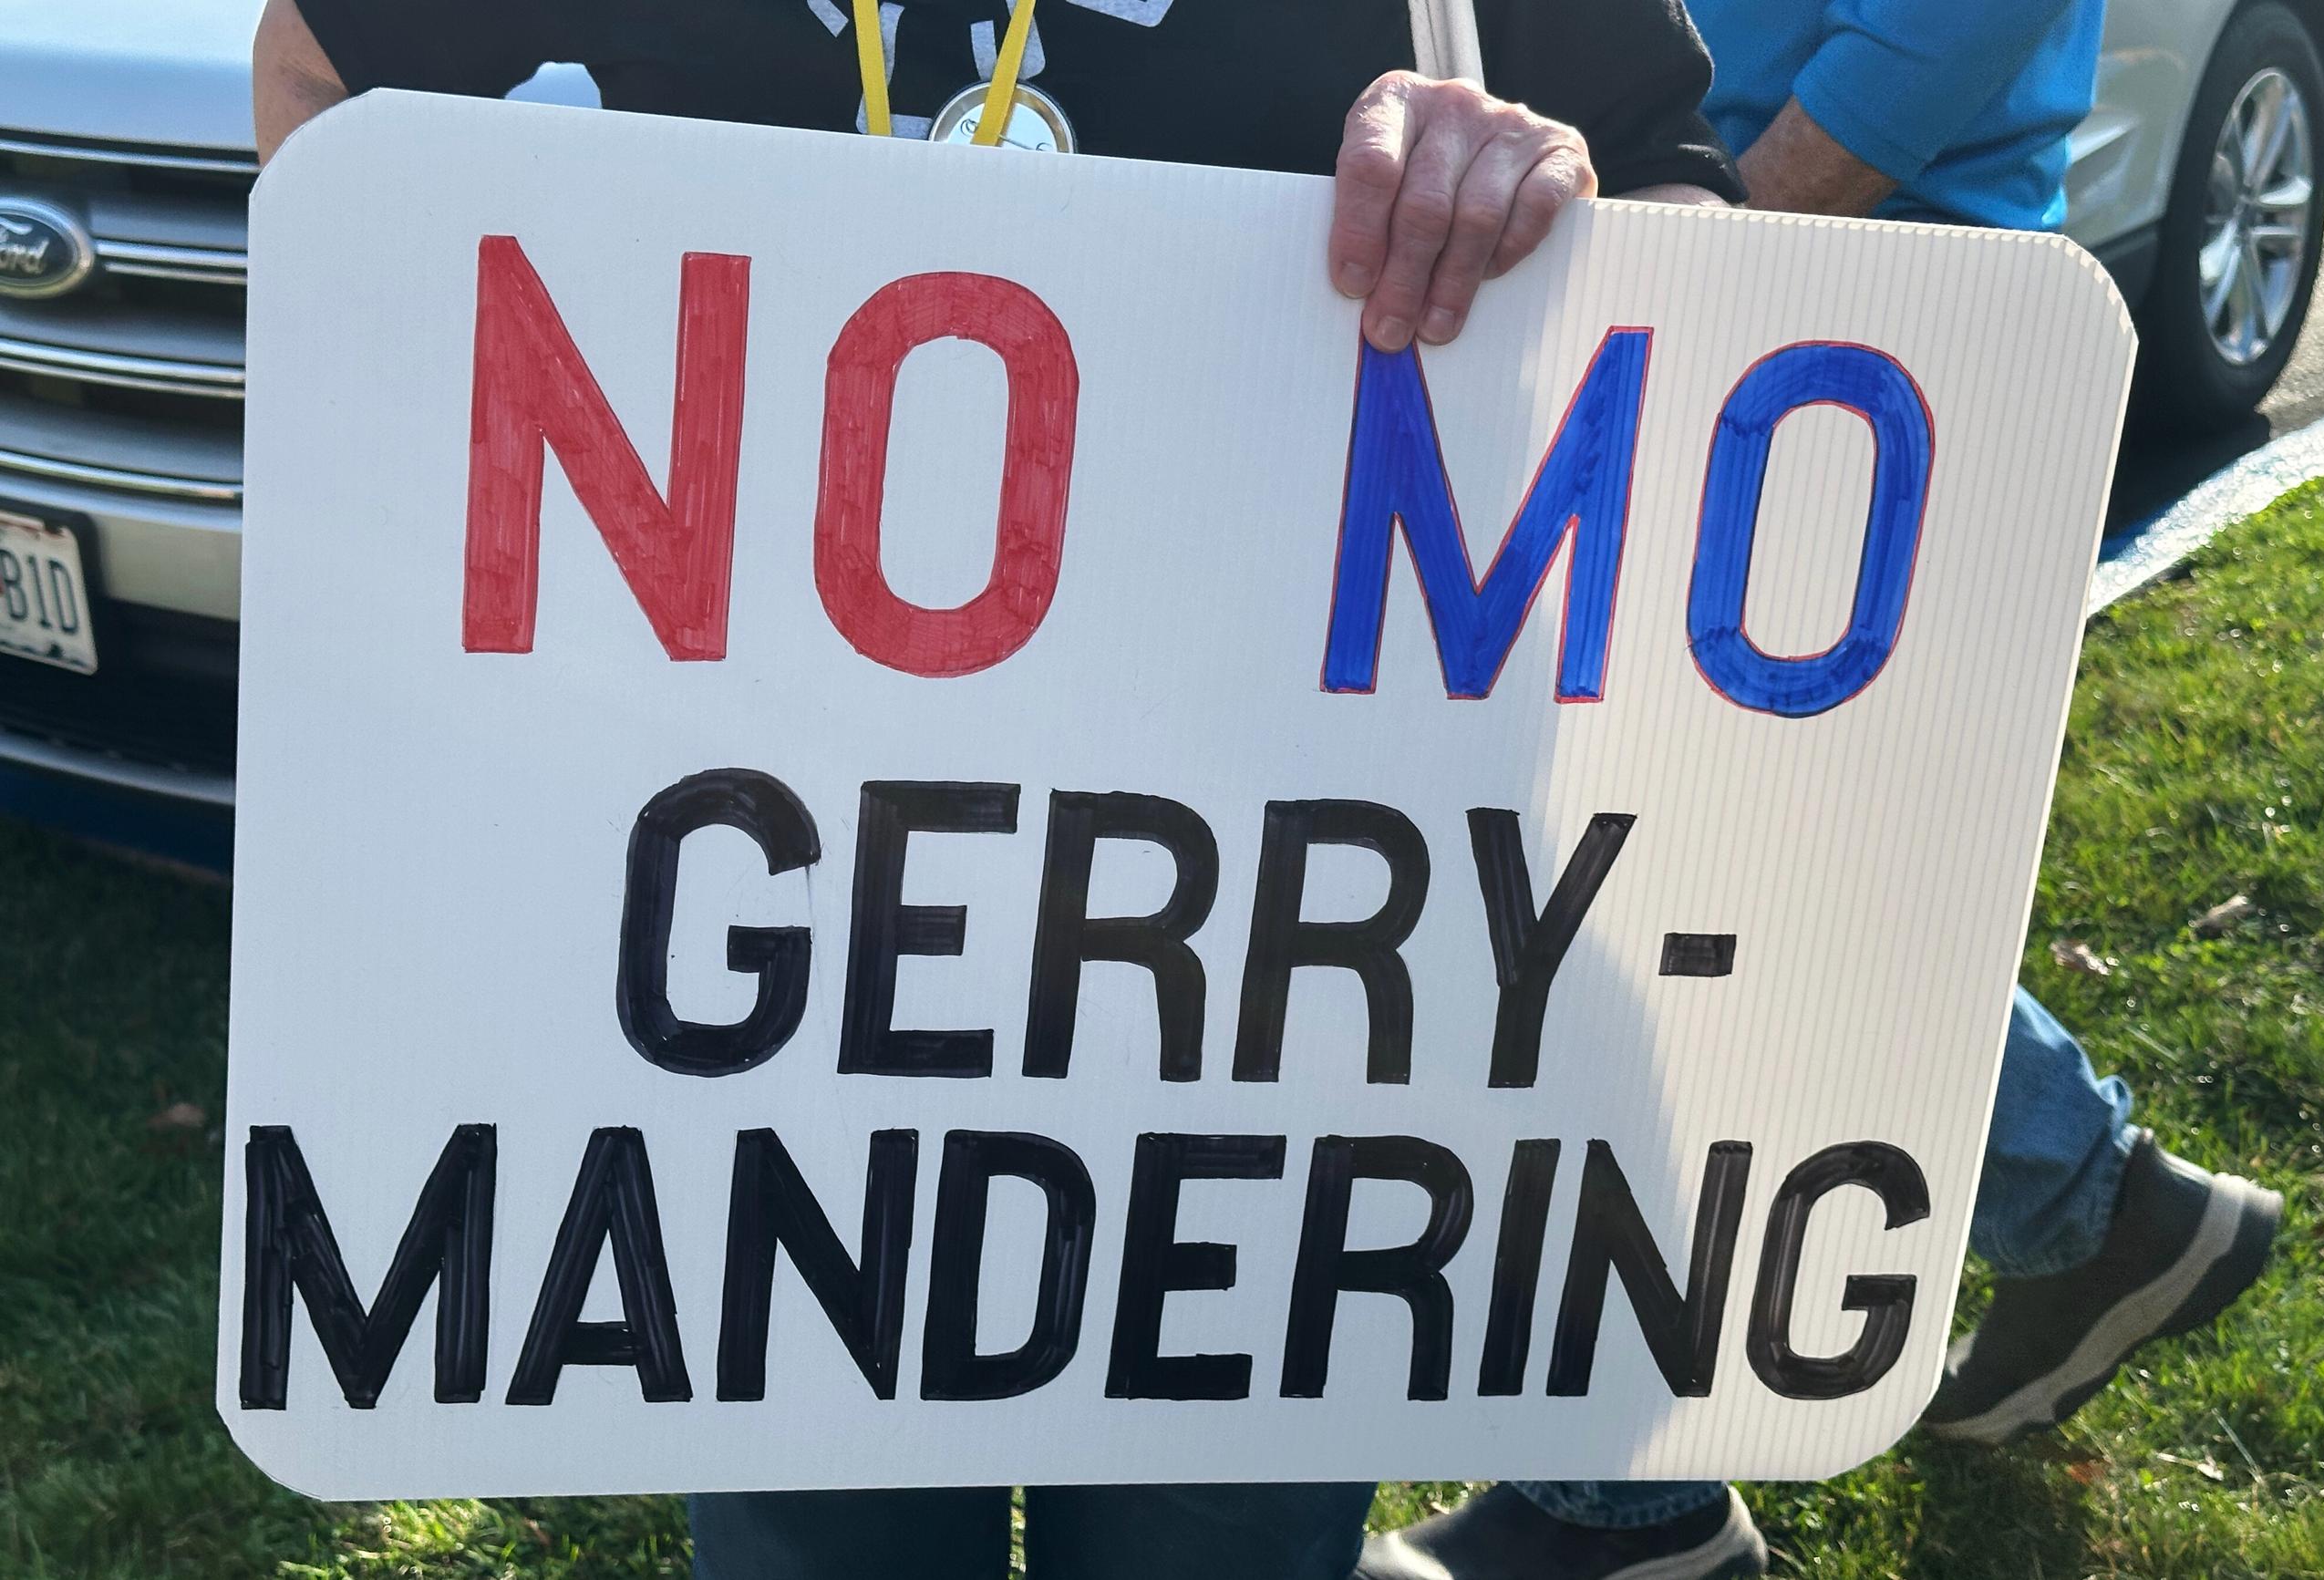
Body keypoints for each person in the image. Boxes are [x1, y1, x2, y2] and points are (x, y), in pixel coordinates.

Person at [251, 2, 1746, 1576]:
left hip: (1265, 995)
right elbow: (321, 69)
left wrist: (1555, 220)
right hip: (787, 979)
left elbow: (1680, 201)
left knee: (1214, 1540)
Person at [1358, 5, 2288, 1579]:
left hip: (1838, 307)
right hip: (1745, 290)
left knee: (1639, 870)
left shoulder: (1743, 251)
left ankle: (1634, 1502)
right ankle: (2082, 1205)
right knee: (1705, 858)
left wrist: (1704, 242)